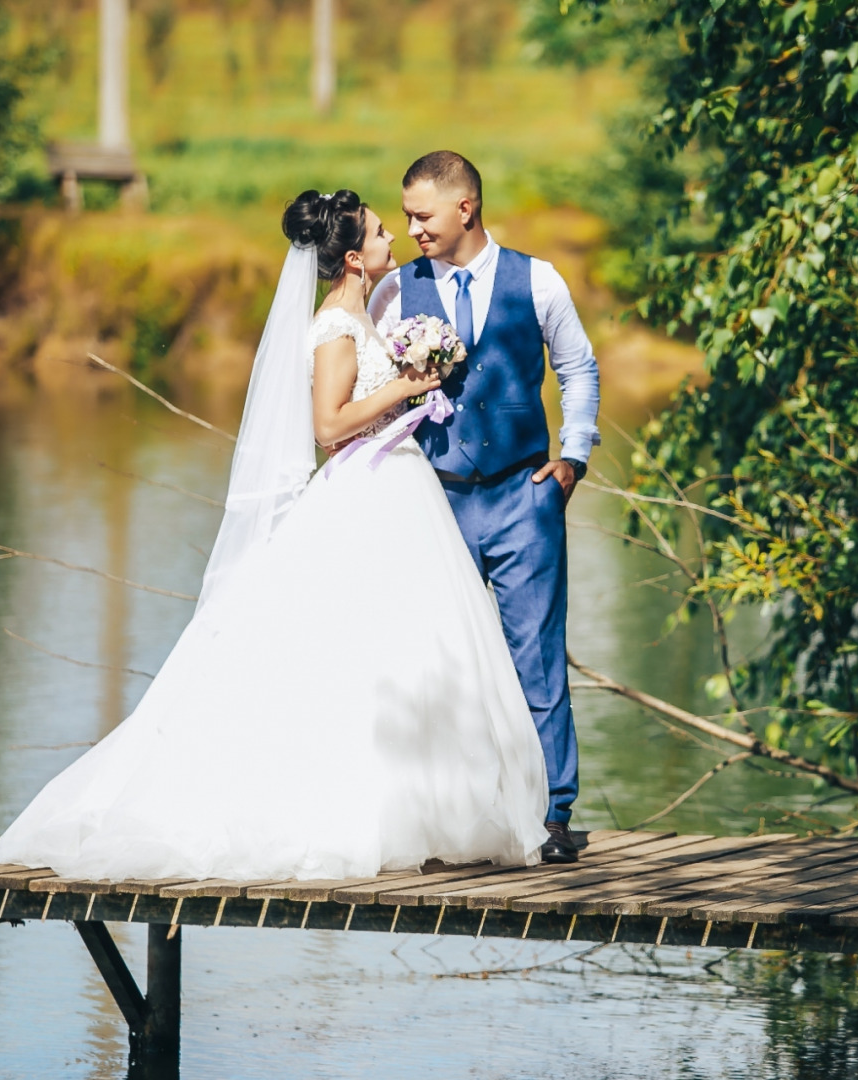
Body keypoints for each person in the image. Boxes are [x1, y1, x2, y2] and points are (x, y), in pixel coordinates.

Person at [0, 190, 551, 882]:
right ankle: (355, 809)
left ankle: (421, 808)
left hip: (400, 489)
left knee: (410, 650)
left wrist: (410, 383)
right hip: (366, 490)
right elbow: (328, 426)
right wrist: (405, 388)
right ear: (352, 256)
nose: (392, 239)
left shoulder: (365, 316)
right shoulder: (334, 330)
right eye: (380, 231)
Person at [370, 151, 599, 864]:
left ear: (464, 208)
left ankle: (553, 814)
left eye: (422, 215)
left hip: (523, 494)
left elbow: (577, 367)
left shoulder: (538, 280)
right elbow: (372, 385)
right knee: (439, 663)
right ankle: (451, 818)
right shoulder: (394, 291)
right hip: (434, 501)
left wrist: (574, 458)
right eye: (405, 216)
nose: (412, 229)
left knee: (535, 657)